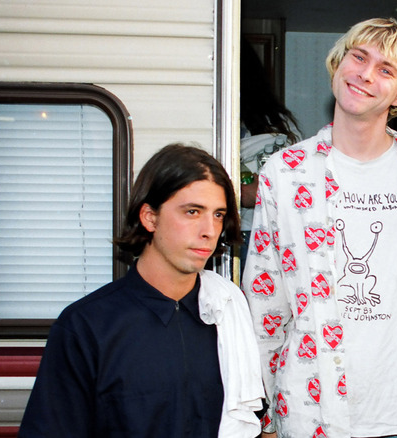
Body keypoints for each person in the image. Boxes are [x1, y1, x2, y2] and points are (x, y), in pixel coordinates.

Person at [241, 18, 397, 438]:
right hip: (312, 416)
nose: (365, 74)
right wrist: (266, 418)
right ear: (338, 64)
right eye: (359, 57)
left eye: (386, 69)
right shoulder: (285, 172)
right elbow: (265, 304)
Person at [19, 144, 264, 438]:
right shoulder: (87, 326)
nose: (209, 230)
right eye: (192, 211)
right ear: (149, 217)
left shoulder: (228, 314)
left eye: (218, 215)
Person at [239, 39, 302, 262]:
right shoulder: (213, 120)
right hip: (223, 230)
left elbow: (298, 187)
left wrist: (259, 193)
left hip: (262, 232)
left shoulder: (279, 125)